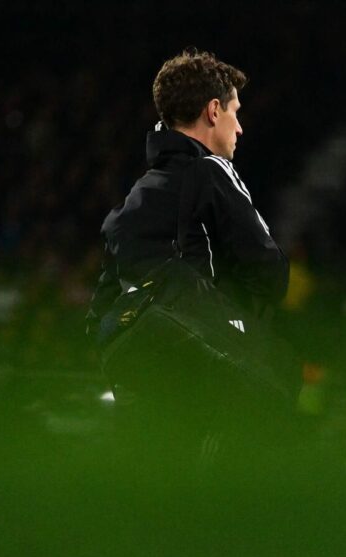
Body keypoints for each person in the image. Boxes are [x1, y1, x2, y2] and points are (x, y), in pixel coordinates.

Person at [87, 49, 293, 459]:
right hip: (204, 388)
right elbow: (270, 274)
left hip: (139, 386)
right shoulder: (213, 171)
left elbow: (104, 303)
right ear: (213, 110)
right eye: (236, 111)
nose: (240, 128)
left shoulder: (137, 195)